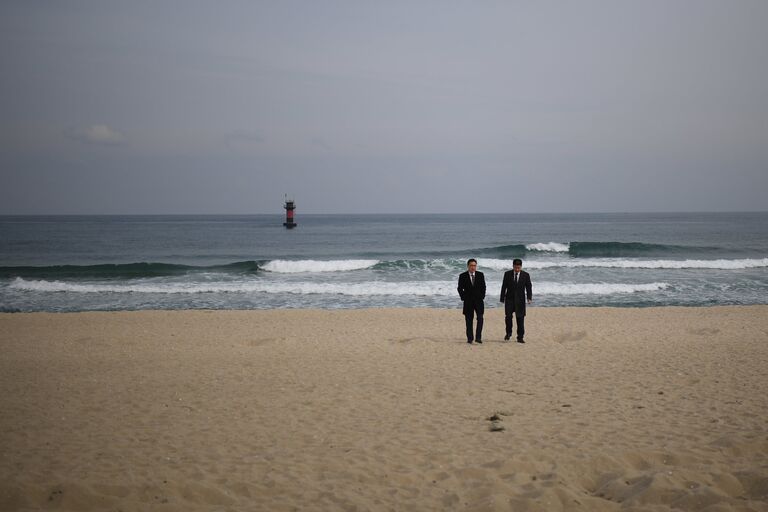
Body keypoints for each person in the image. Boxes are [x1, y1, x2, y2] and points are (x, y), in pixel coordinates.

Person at [500, 258, 532, 343]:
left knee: (520, 319)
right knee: (508, 317)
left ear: (521, 267)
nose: (517, 269)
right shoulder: (507, 274)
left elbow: (528, 287)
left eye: (518, 267)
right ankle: (508, 333)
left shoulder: (526, 275)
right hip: (509, 300)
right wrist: (502, 298)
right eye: (515, 267)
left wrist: (529, 297)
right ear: (513, 266)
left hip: (520, 300)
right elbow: (504, 286)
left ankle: (520, 337)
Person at [457, 258, 486, 344]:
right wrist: (463, 297)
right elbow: (459, 288)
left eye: (474, 265)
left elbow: (483, 287)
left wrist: (482, 296)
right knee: (469, 320)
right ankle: (470, 338)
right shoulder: (462, 276)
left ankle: (478, 337)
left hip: (479, 301)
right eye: (471, 265)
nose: (473, 267)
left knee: (480, 319)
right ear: (468, 266)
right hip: (468, 301)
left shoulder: (480, 275)